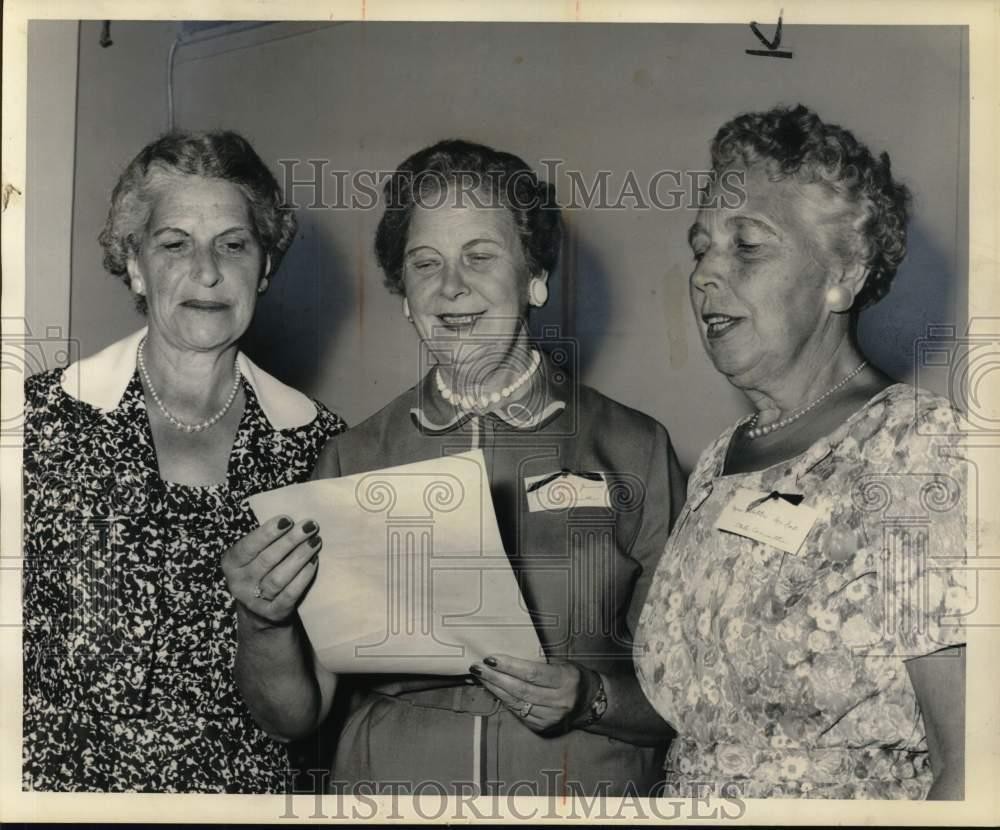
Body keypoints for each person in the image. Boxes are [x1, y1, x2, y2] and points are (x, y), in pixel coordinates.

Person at [223, 139, 687, 796]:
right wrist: (262, 620)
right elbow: (293, 717)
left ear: (534, 278)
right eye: (425, 263)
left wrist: (591, 699)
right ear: (404, 294)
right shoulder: (351, 459)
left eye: (480, 256)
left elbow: (688, 698)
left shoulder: (632, 448)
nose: (451, 287)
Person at [634, 104, 969, 800]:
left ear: (842, 274)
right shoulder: (720, 461)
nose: (703, 275)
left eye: (747, 246)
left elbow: (973, 765)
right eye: (701, 246)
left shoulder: (915, 450)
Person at [22, 130, 346, 792]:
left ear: (265, 267)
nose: (207, 272)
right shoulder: (34, 422)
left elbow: (294, 720)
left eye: (234, 244)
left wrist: (265, 620)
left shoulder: (324, 449)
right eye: (175, 244)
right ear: (135, 264)